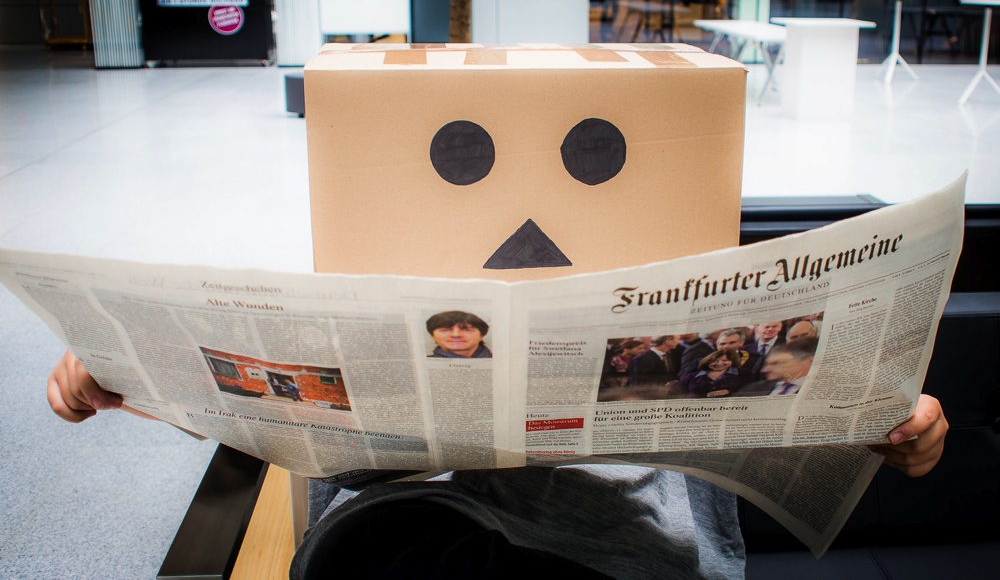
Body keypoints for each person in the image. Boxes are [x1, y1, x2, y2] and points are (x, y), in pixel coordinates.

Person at [48, 344, 949, 578]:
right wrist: (129, 375)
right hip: (402, 525)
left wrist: (897, 422)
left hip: (624, 546)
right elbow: (261, 403)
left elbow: (807, 401)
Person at [739, 337, 816, 396]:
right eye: (767, 364)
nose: (765, 370)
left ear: (810, 362)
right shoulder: (753, 389)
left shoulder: (814, 391)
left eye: (776, 363)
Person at [680, 350, 747, 398]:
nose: (719, 363)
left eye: (725, 360)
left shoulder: (744, 375)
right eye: (714, 361)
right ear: (707, 362)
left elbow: (749, 391)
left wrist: (729, 393)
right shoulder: (691, 376)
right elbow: (677, 393)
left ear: (732, 361)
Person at [426, 311, 493, 358]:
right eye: (445, 330)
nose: (456, 335)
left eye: (467, 330)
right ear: (432, 336)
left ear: (482, 335)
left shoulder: (498, 362)